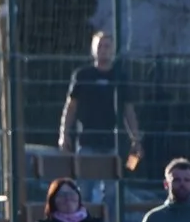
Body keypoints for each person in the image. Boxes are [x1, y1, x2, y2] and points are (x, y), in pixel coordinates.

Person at [58, 30, 142, 204]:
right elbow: (70, 107)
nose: (103, 50)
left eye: (107, 46)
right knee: (84, 192)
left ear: (113, 50)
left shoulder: (120, 77)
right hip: (86, 142)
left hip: (113, 143)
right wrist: (63, 134)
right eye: (100, 46)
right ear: (93, 50)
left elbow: (129, 111)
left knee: (112, 194)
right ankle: (83, 221)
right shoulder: (82, 75)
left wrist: (136, 139)